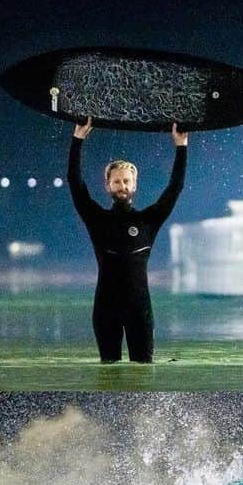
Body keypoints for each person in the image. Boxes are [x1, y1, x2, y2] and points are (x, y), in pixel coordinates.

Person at [68, 118, 188, 363]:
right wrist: (78, 139)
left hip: (139, 310)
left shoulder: (148, 221)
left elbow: (175, 187)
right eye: (116, 181)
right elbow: (75, 184)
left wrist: (181, 145)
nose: (122, 185)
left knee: (143, 372)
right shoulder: (97, 219)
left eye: (126, 181)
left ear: (134, 185)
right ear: (108, 185)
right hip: (105, 309)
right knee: (108, 372)